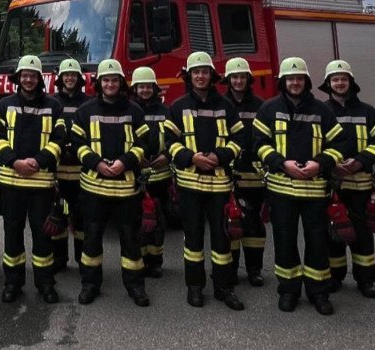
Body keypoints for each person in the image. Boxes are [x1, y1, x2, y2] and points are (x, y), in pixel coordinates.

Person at [252, 57, 346, 315]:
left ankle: (319, 292)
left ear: (306, 81)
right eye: (290, 78)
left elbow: (339, 144)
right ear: (283, 81)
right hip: (281, 190)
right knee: (284, 241)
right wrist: (282, 164)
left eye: (299, 78)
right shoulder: (268, 109)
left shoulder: (322, 110)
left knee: (317, 241)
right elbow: (258, 143)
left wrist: (319, 164)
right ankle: (288, 290)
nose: (295, 82)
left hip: (314, 190)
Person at [164, 52, 246, 310]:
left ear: (212, 75)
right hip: (190, 186)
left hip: (220, 185)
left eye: (205, 72)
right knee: (193, 238)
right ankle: (195, 286)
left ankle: (224, 287)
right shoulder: (177, 106)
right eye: (196, 72)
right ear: (189, 76)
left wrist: (220, 156)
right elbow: (169, 141)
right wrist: (192, 158)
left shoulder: (226, 106)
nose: (200, 76)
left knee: (222, 239)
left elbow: (240, 139)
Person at [71, 59, 151, 307]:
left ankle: (135, 286)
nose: (110, 84)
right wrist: (97, 163)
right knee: (92, 239)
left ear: (121, 83)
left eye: (114, 80)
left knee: (130, 239)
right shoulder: (85, 110)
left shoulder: (134, 111)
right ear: (99, 83)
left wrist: (124, 162)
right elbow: (77, 143)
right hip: (94, 189)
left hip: (126, 189)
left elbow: (144, 143)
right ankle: (90, 285)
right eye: (105, 80)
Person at [0, 55, 65, 304]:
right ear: (18, 78)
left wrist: (39, 161)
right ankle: (12, 283)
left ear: (39, 79)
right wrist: (15, 162)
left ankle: (45, 283)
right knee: (12, 235)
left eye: (33, 76)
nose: (29, 79)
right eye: (25, 75)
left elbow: (59, 139)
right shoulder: (3, 105)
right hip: (11, 183)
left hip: (41, 184)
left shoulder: (54, 106)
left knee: (43, 237)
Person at [320, 60, 375, 298]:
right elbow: (313, 143)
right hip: (333, 185)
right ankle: (335, 276)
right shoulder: (321, 111)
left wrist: (359, 162)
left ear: (350, 82)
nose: (339, 83)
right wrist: (331, 165)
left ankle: (365, 279)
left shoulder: (368, 112)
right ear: (328, 84)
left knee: (362, 235)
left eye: (343, 79)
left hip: (361, 184)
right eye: (335, 79)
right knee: (333, 233)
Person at [221, 58, 267, 287]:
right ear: (228, 80)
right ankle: (230, 269)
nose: (238, 81)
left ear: (248, 79)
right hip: (227, 173)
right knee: (230, 222)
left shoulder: (261, 106)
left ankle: (254, 269)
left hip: (254, 173)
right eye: (234, 77)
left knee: (254, 225)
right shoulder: (220, 105)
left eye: (242, 77)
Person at [49, 59, 93, 270]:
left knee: (82, 217)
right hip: (57, 170)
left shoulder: (89, 103)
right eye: (66, 75)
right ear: (60, 78)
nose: (69, 78)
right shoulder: (51, 102)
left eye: (73, 75)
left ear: (79, 78)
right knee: (57, 214)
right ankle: (59, 259)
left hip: (81, 170)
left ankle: (82, 259)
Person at [129, 66, 172, 279]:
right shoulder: (128, 110)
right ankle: (140, 259)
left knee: (158, 222)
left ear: (154, 89)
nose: (145, 90)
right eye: (141, 87)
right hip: (136, 174)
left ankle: (155, 262)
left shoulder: (166, 111)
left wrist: (167, 155)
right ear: (134, 89)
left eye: (148, 87)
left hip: (160, 175)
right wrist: (135, 157)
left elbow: (176, 138)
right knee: (137, 220)